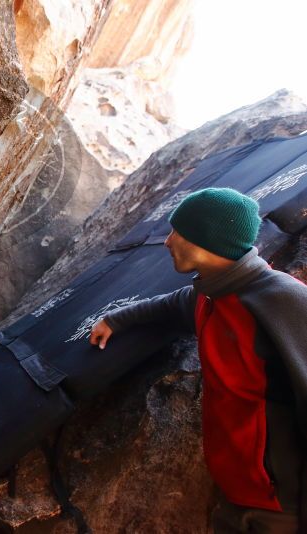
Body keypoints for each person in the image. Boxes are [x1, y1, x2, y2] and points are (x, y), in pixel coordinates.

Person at [89, 188, 307, 533]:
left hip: (283, 505)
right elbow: (170, 304)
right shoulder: (213, 293)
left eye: (178, 232)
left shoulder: (282, 300)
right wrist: (116, 319)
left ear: (208, 242)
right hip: (236, 489)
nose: (167, 242)